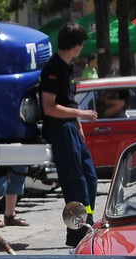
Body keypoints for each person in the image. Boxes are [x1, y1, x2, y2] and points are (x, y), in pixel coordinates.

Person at [40, 24, 98, 247]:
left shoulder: (67, 66)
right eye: (81, 42)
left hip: (70, 128)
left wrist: (78, 125)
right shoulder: (54, 68)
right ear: (74, 44)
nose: (82, 47)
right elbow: (49, 107)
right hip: (59, 129)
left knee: (90, 177)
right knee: (75, 182)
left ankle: (87, 221)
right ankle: (78, 231)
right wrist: (80, 113)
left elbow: (68, 100)